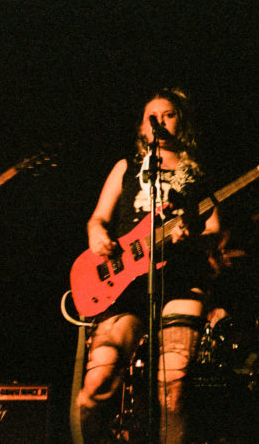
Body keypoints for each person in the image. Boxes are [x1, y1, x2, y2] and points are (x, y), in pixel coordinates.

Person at [76, 87, 221, 443]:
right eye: (151, 117)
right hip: (125, 282)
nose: (160, 121)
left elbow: (216, 229)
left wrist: (194, 237)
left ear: (181, 122)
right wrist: (98, 237)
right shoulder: (126, 168)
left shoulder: (197, 174)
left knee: (173, 390)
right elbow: (97, 219)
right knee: (97, 381)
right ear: (142, 127)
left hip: (180, 280)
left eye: (168, 114)